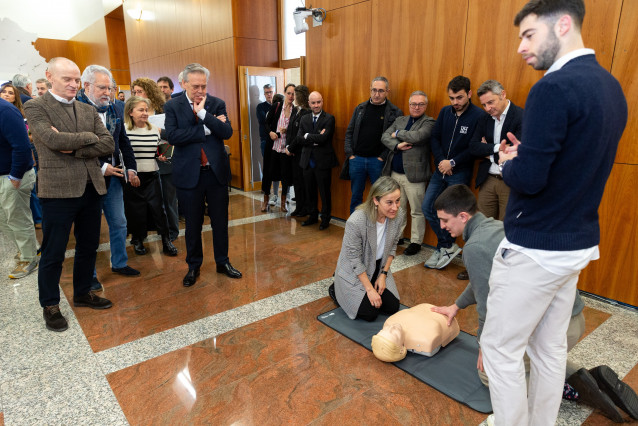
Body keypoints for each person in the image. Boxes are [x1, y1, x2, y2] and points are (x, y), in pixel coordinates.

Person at [479, 1, 628, 424]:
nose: (521, 48)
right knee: (549, 348)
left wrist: (510, 162)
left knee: (500, 350)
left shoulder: (551, 87)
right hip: (575, 243)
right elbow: (574, 161)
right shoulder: (609, 86)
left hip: (535, 246)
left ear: (562, 24)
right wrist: (528, 157)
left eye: (528, 35)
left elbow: (530, 180)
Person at [430, 184, 636, 423]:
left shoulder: (474, 247)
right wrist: (456, 306)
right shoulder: (500, 227)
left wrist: (484, 345)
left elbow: (488, 301)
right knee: (541, 353)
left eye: (445, 220)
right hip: (571, 319)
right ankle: (582, 376)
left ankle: (567, 385)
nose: (443, 227)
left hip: (555, 326)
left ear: (463, 216)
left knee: (491, 373)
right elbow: (486, 279)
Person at [24, 57, 114, 332]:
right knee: (54, 252)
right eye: (68, 79)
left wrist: (74, 147)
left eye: (77, 80)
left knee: (88, 247)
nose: (74, 84)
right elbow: (52, 141)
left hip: (91, 188)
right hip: (58, 191)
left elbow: (108, 143)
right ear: (50, 76)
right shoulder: (35, 106)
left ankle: (83, 292)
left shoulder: (86, 109)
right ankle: (50, 305)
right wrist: (90, 139)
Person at [164, 63, 242, 286]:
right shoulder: (172, 106)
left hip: (215, 173)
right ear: (183, 83)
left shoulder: (216, 103)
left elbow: (226, 132)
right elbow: (173, 136)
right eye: (196, 86)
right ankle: (193, 266)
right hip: (189, 174)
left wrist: (204, 114)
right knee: (193, 224)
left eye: (204, 86)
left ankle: (222, 261)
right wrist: (208, 128)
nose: (200, 91)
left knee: (220, 222)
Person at [76, 65, 141, 289]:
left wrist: (131, 168)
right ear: (86, 86)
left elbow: (123, 142)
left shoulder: (113, 108)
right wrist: (102, 167)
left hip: (113, 178)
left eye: (110, 88)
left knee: (119, 223)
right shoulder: (75, 109)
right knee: (89, 230)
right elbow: (77, 149)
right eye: (102, 87)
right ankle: (89, 275)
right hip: (86, 180)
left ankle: (119, 263)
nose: (107, 92)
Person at [421, 76, 485, 270]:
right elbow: (435, 137)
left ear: (469, 94)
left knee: (452, 213)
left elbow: (474, 147)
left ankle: (445, 247)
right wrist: (442, 161)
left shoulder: (478, 116)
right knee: (427, 207)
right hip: (440, 169)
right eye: (451, 98)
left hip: (460, 172)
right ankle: (447, 245)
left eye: (459, 97)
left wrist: (453, 162)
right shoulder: (444, 112)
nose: (455, 102)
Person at [334, 176, 405, 321]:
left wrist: (383, 274)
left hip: (379, 267)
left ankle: (373, 282)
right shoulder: (356, 221)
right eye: (389, 202)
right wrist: (370, 289)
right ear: (375, 200)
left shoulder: (398, 215)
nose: (395, 207)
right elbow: (354, 260)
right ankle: (335, 289)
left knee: (392, 307)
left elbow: (393, 246)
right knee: (370, 313)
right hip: (355, 270)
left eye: (398, 200)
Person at [381, 90, 435, 256]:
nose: (416, 107)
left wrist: (397, 134)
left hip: (415, 176)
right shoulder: (400, 119)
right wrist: (397, 145)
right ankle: (399, 237)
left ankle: (416, 242)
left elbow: (418, 136)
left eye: (420, 104)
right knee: (398, 209)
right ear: (409, 105)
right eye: (413, 104)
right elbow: (384, 136)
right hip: (395, 173)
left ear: (425, 106)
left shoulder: (430, 122)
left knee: (417, 210)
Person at [122, 96, 178, 257]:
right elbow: (122, 155)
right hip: (133, 177)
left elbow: (156, 149)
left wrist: (158, 156)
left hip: (152, 175)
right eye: (141, 110)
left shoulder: (154, 129)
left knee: (159, 210)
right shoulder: (124, 130)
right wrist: (129, 173)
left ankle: (166, 241)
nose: (145, 113)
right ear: (130, 112)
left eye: (146, 110)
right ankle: (138, 240)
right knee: (136, 211)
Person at [344, 76, 402, 214]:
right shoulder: (360, 108)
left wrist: (382, 157)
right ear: (370, 90)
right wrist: (350, 154)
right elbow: (349, 132)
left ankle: (377, 226)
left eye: (381, 91)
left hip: (378, 162)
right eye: (374, 90)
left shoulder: (395, 112)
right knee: (356, 196)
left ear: (387, 91)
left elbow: (396, 138)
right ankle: (355, 226)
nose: (377, 94)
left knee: (380, 197)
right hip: (356, 159)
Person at [469, 80, 523, 221]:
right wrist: (498, 148)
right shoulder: (484, 117)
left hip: (510, 181)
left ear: (503, 95)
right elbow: (473, 147)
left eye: (491, 102)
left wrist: (489, 154)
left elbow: (516, 152)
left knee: (507, 226)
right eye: (484, 105)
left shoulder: (521, 116)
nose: (487, 108)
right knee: (482, 225)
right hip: (488, 179)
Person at [0, 97, 38, 279]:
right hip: (4, 175)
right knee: (5, 220)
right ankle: (29, 248)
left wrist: (15, 176)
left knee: (17, 219)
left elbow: (22, 147)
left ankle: (29, 258)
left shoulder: (5, 111)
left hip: (13, 176)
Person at [1, 83, 43, 229]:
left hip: (25, 159)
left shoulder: (19, 113)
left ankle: (38, 219)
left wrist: (26, 136)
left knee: (32, 193)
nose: (6, 94)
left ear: (15, 97)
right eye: (4, 92)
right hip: (10, 163)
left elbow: (28, 139)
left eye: (10, 93)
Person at [297, 91, 338, 230]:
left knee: (324, 192)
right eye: (313, 103)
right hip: (307, 162)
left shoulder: (329, 118)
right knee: (310, 191)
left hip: (323, 162)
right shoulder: (304, 119)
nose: (316, 105)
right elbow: (299, 138)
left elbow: (324, 138)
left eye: (318, 102)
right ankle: (312, 216)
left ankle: (325, 219)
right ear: (309, 103)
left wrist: (308, 136)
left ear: (322, 102)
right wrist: (313, 138)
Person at [372, 303, 460, 361]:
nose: (392, 327)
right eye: (393, 333)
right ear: (402, 349)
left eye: (384, 330)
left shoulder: (389, 322)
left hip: (427, 307)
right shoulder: (426, 338)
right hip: (445, 318)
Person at [263, 83, 295, 212]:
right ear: (285, 93)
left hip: (285, 149)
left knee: (285, 175)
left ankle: (283, 203)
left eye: (293, 94)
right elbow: (266, 123)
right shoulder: (277, 106)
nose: (291, 96)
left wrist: (287, 130)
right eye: (289, 93)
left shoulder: (296, 111)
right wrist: (270, 132)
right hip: (272, 147)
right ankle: (265, 201)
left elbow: (295, 129)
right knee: (268, 173)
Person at [156, 76, 180, 241]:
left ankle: (173, 232)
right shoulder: (152, 109)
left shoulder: (178, 109)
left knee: (170, 200)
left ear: (172, 89)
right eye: (159, 87)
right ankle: (163, 231)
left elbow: (180, 135)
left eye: (165, 87)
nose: (162, 90)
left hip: (171, 159)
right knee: (158, 201)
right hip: (154, 159)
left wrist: (160, 132)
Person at [286, 84, 311, 217]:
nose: (292, 97)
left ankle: (304, 207)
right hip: (292, 151)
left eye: (294, 94)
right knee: (296, 181)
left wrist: (291, 147)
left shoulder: (306, 113)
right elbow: (291, 129)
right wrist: (287, 146)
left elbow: (300, 135)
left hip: (300, 152)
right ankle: (299, 207)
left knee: (302, 182)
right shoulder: (296, 110)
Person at [256, 84, 280, 209]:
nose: (269, 94)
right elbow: (263, 121)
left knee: (277, 168)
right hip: (266, 141)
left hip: (278, 141)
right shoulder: (261, 107)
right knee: (268, 169)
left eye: (270, 92)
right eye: (266, 92)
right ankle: (267, 194)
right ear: (264, 94)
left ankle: (276, 195)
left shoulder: (280, 105)